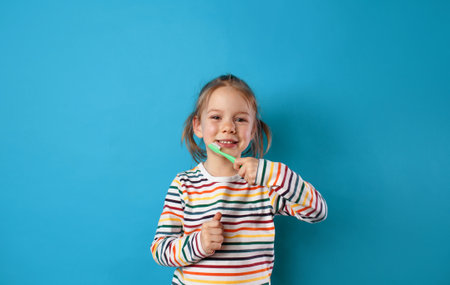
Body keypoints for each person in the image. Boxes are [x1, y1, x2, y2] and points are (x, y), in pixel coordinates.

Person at [151, 74, 327, 285]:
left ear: (253, 130)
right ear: (198, 126)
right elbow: (160, 249)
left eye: (240, 119)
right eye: (216, 117)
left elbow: (317, 211)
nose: (229, 127)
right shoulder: (184, 185)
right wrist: (199, 243)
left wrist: (276, 174)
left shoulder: (267, 183)